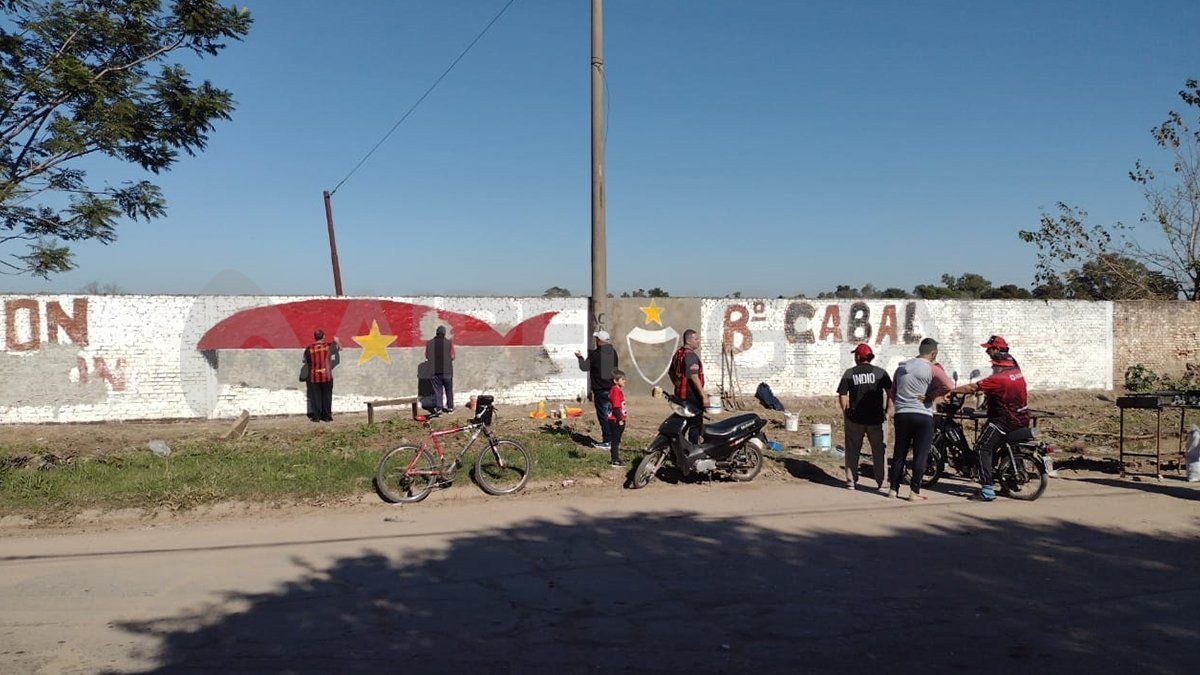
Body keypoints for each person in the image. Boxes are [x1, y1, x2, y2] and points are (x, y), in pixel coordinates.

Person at [950, 352, 1029, 501]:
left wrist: (953, 390)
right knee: (996, 446)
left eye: (994, 365)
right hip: (1022, 418)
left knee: (981, 447)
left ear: (1000, 366)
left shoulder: (999, 378)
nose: (993, 368)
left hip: (1003, 421)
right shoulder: (1018, 374)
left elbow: (973, 387)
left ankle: (987, 489)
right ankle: (1004, 479)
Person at [887, 337, 953, 500]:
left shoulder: (901, 368)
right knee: (920, 454)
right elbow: (949, 386)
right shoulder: (931, 368)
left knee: (899, 452)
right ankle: (914, 491)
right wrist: (931, 396)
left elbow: (893, 392)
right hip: (923, 415)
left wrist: (897, 406)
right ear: (933, 354)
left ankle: (893, 489)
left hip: (902, 414)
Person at [837, 343, 892, 491]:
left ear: (857, 357)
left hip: (855, 419)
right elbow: (891, 393)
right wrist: (888, 412)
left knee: (852, 450)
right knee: (880, 451)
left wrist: (845, 412)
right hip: (877, 420)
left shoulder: (849, 373)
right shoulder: (880, 373)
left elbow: (842, 395)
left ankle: (851, 481)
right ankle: (882, 483)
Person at [576, 329, 619, 450]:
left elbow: (584, 367)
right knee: (611, 416)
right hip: (612, 389)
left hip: (601, 390)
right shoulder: (613, 352)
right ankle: (614, 440)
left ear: (599, 341)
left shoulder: (595, 355)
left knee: (603, 417)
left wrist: (580, 357)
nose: (595, 341)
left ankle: (608, 441)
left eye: (596, 339)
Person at [669, 328, 706, 445]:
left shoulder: (678, 354)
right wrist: (704, 396)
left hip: (680, 395)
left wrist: (677, 384)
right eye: (696, 339)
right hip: (691, 396)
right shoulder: (690, 356)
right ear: (688, 341)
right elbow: (694, 377)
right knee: (695, 424)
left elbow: (670, 372)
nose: (699, 341)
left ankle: (678, 446)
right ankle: (693, 448)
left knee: (683, 422)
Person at [304, 329, 340, 422]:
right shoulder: (328, 346)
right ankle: (327, 416)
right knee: (327, 397)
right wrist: (337, 341)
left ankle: (316, 417)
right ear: (323, 336)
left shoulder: (309, 348)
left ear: (314, 337)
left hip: (314, 376)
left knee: (316, 397)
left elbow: (306, 361)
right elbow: (339, 352)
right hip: (327, 375)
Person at [425, 325, 456, 413]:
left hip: (434, 371)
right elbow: (453, 356)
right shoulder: (448, 343)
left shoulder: (429, 343)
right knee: (448, 390)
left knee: (438, 390)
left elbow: (427, 356)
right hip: (447, 371)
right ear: (444, 333)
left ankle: (439, 408)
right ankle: (450, 407)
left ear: (436, 333)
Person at [607, 369, 628, 468]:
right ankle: (614, 460)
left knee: (617, 440)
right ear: (615, 381)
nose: (624, 381)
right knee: (615, 441)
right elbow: (615, 407)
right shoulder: (615, 391)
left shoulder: (618, 390)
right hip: (615, 420)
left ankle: (616, 458)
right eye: (622, 379)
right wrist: (620, 419)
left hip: (619, 420)